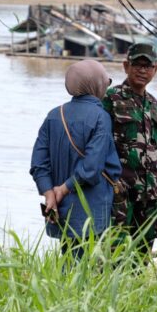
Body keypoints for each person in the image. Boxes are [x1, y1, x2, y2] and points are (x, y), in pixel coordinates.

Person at [30, 60, 122, 259]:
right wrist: (63, 189)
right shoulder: (101, 116)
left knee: (69, 260)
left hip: (59, 207)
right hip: (91, 207)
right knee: (89, 268)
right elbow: (91, 167)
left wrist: (49, 194)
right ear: (96, 84)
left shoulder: (54, 115)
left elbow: (38, 163)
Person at [102, 43, 157, 256]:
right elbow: (96, 143)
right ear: (125, 66)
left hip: (149, 194)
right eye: (136, 65)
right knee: (114, 251)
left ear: (155, 70)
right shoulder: (110, 99)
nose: (142, 70)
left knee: (142, 254)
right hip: (120, 192)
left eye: (147, 67)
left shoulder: (155, 106)